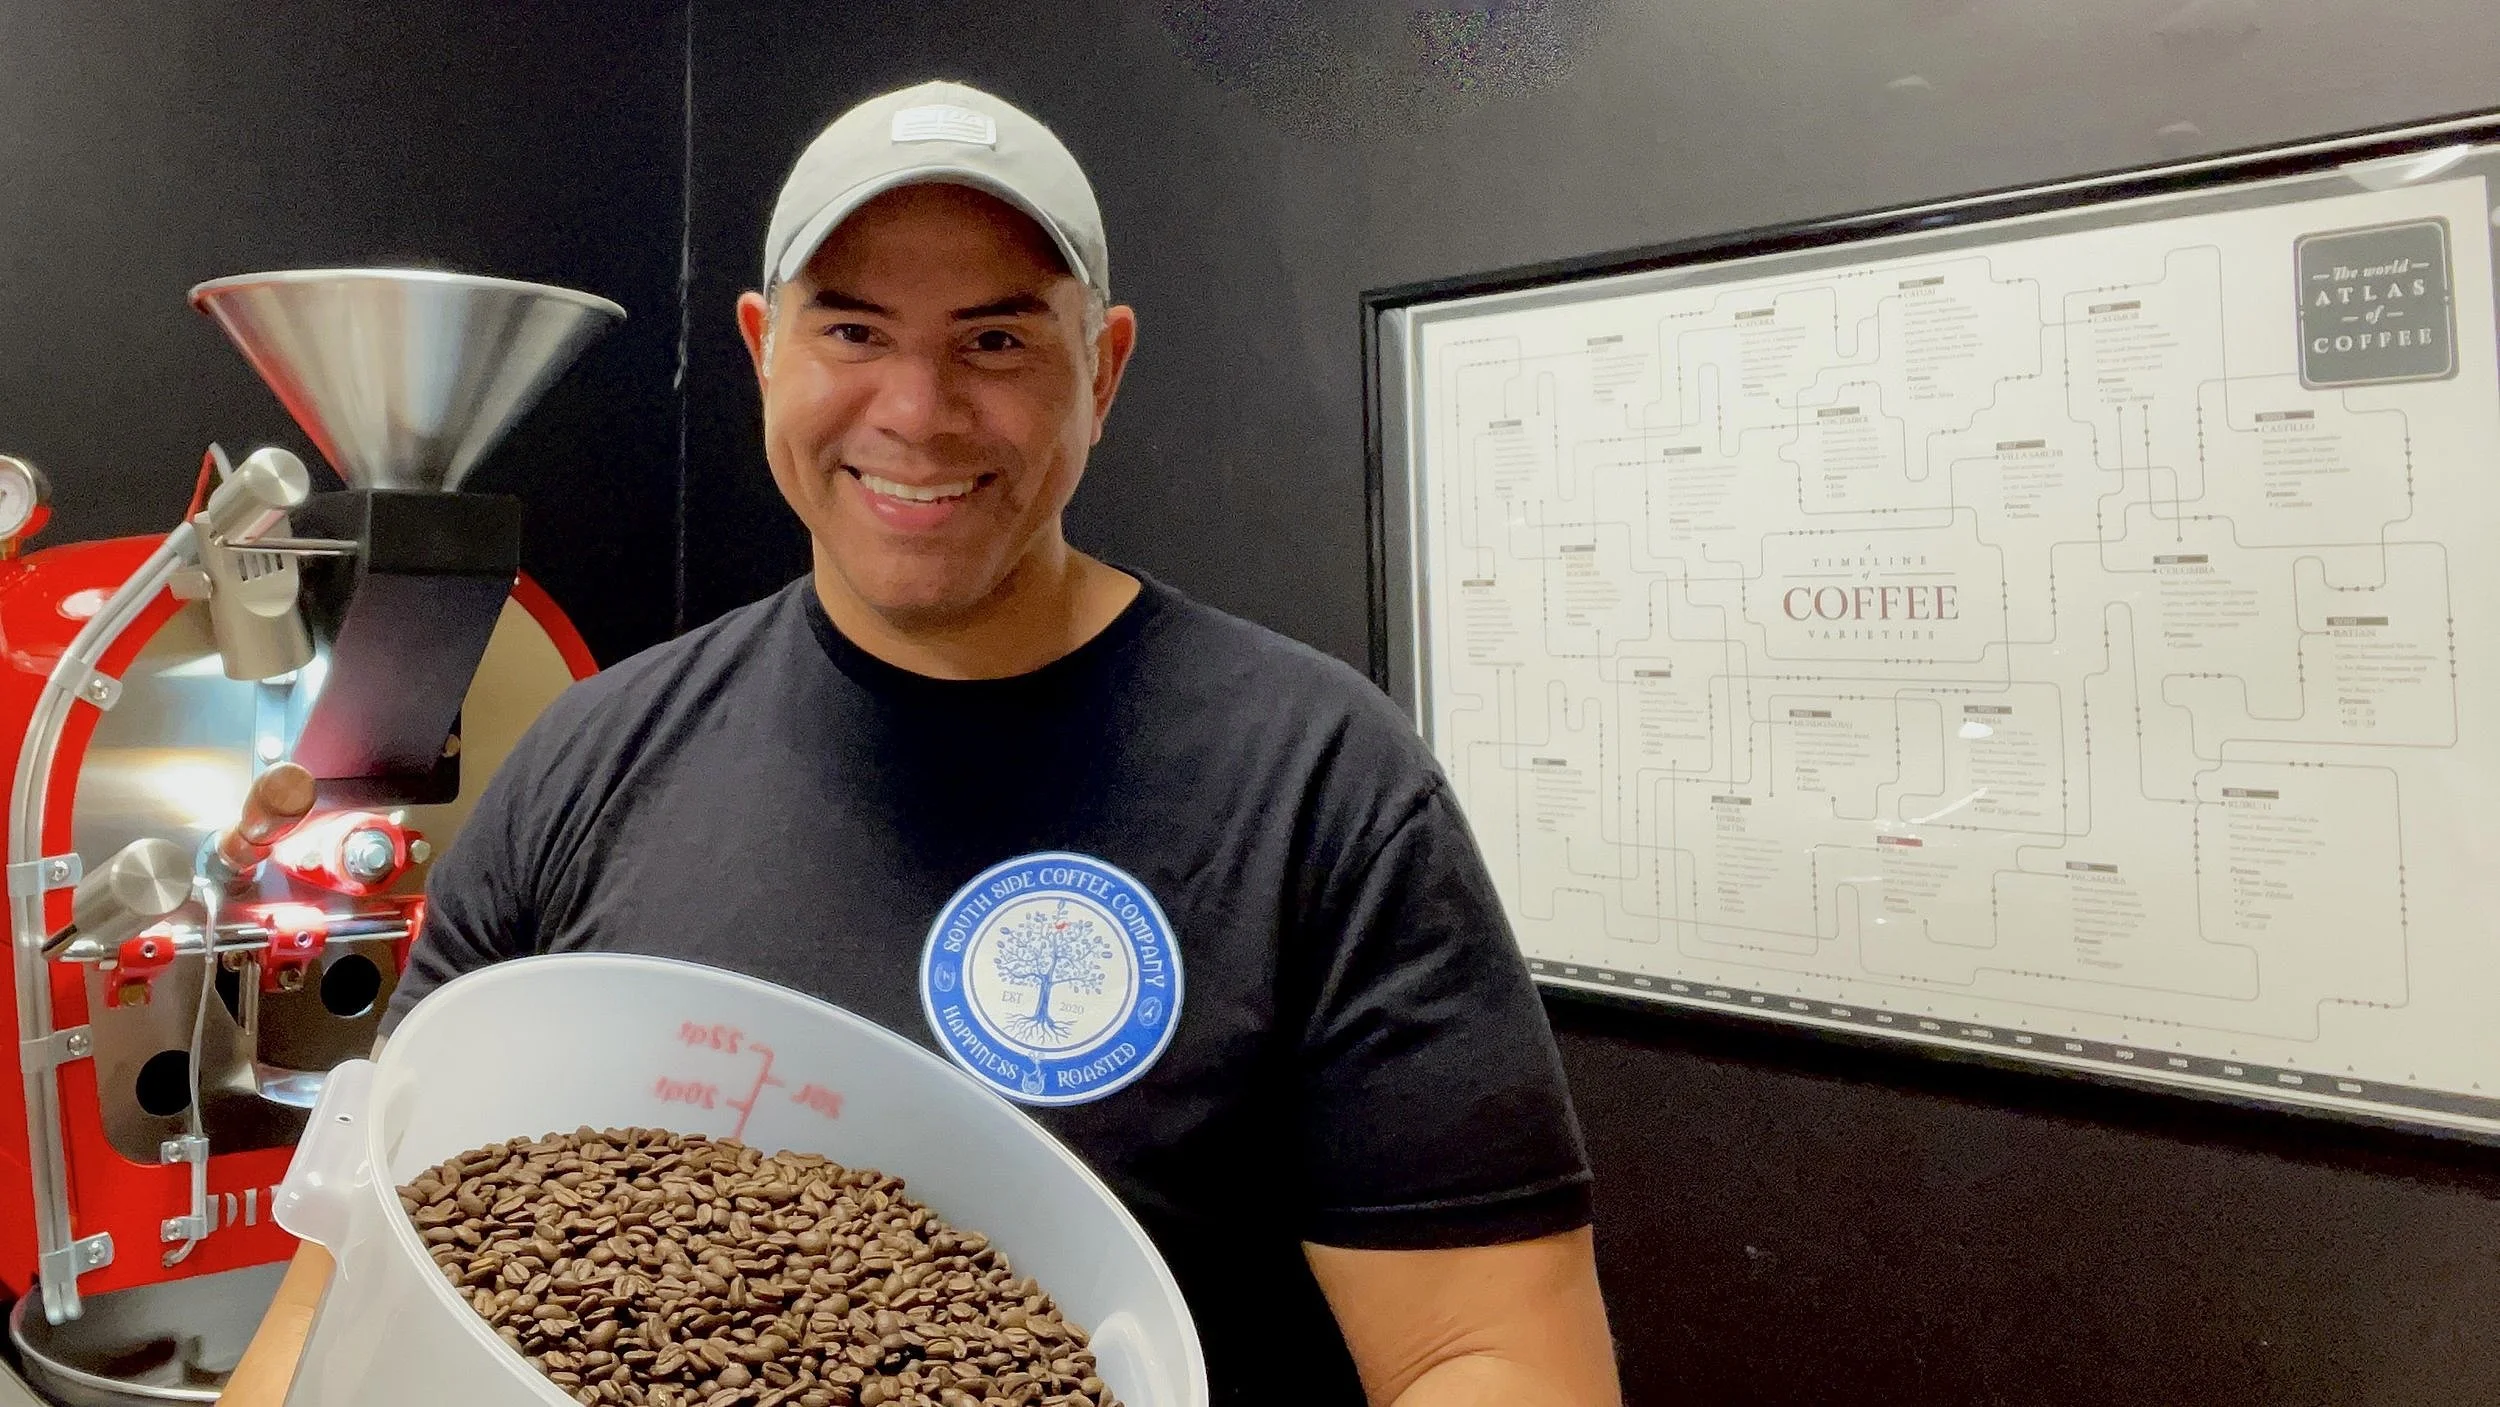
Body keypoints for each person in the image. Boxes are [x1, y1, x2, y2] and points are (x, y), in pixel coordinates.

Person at [222, 79, 1619, 1407]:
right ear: (765, 349)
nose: (916, 411)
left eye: (998, 340)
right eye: (853, 331)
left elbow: (1490, 1353)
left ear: (1105, 366)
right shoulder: (591, 757)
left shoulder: (1322, 786)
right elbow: (351, 1259)